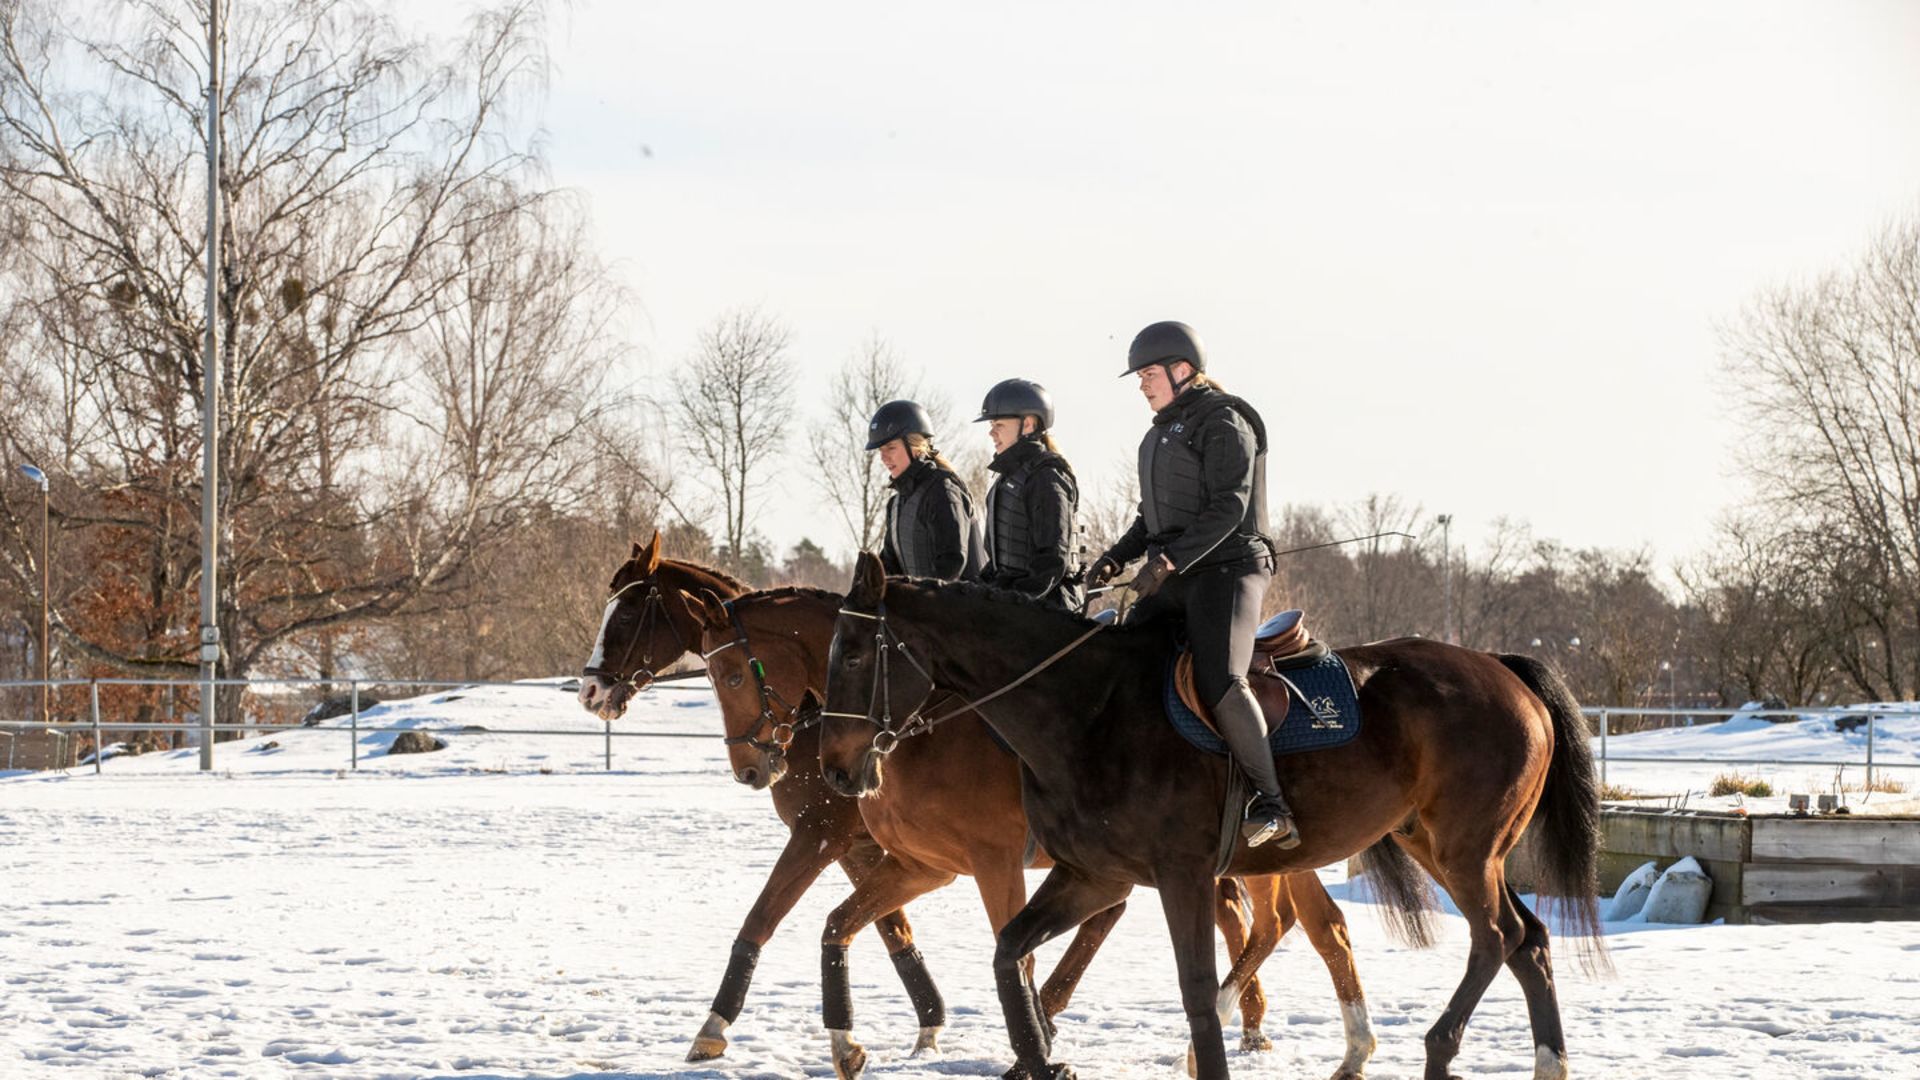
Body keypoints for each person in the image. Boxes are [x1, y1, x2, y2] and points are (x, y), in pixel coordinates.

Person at [1088, 321, 1299, 849]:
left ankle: (1271, 803)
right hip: (1179, 572)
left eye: (1149, 373)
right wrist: (1116, 558)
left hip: (1230, 568)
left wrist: (1170, 561)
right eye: (1140, 375)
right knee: (1121, 654)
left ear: (1183, 371)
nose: (1142, 384)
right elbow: (1151, 518)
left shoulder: (1224, 421)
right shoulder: (1159, 434)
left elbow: (1229, 505)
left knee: (1219, 676)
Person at [973, 379, 1081, 611]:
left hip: (1050, 608)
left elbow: (1051, 560)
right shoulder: (1004, 480)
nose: (991, 432)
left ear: (1028, 424)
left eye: (999, 424)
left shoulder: (1046, 477)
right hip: (1015, 604)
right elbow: (998, 564)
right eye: (991, 424)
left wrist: (1015, 604)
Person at [867, 399, 985, 580]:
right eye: (880, 450)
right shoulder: (896, 503)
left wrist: (919, 600)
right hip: (922, 606)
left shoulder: (943, 491)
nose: (884, 457)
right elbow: (891, 566)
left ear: (915, 448)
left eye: (891, 447)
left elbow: (952, 562)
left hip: (963, 605)